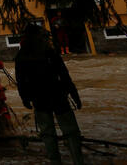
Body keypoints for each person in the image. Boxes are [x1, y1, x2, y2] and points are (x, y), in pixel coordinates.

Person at [16, 23, 84, 164]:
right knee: (71, 131)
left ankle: (55, 161)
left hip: (39, 98)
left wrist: (25, 98)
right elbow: (64, 75)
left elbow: (21, 81)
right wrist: (74, 95)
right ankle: (78, 160)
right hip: (58, 95)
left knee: (47, 133)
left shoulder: (22, 55)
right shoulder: (49, 52)